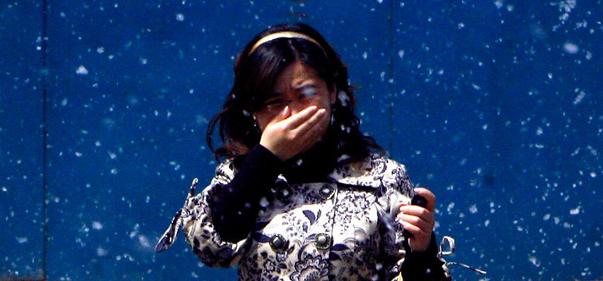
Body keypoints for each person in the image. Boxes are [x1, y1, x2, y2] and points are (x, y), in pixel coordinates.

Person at [180, 23, 450, 281]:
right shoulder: (239, 176)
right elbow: (212, 247)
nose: (293, 113)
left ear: (332, 92)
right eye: (274, 102)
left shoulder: (381, 176)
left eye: (306, 94)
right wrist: (265, 160)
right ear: (253, 111)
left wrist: (422, 249)